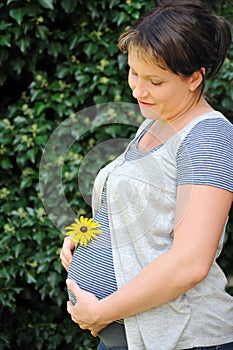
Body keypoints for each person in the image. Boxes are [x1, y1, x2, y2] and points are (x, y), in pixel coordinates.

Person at [60, 1, 233, 349]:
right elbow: (144, 213)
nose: (138, 90)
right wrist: (91, 238)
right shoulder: (155, 119)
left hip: (182, 339)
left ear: (195, 78)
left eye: (154, 80)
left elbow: (190, 263)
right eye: (133, 73)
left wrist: (102, 310)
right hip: (125, 332)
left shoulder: (208, 137)